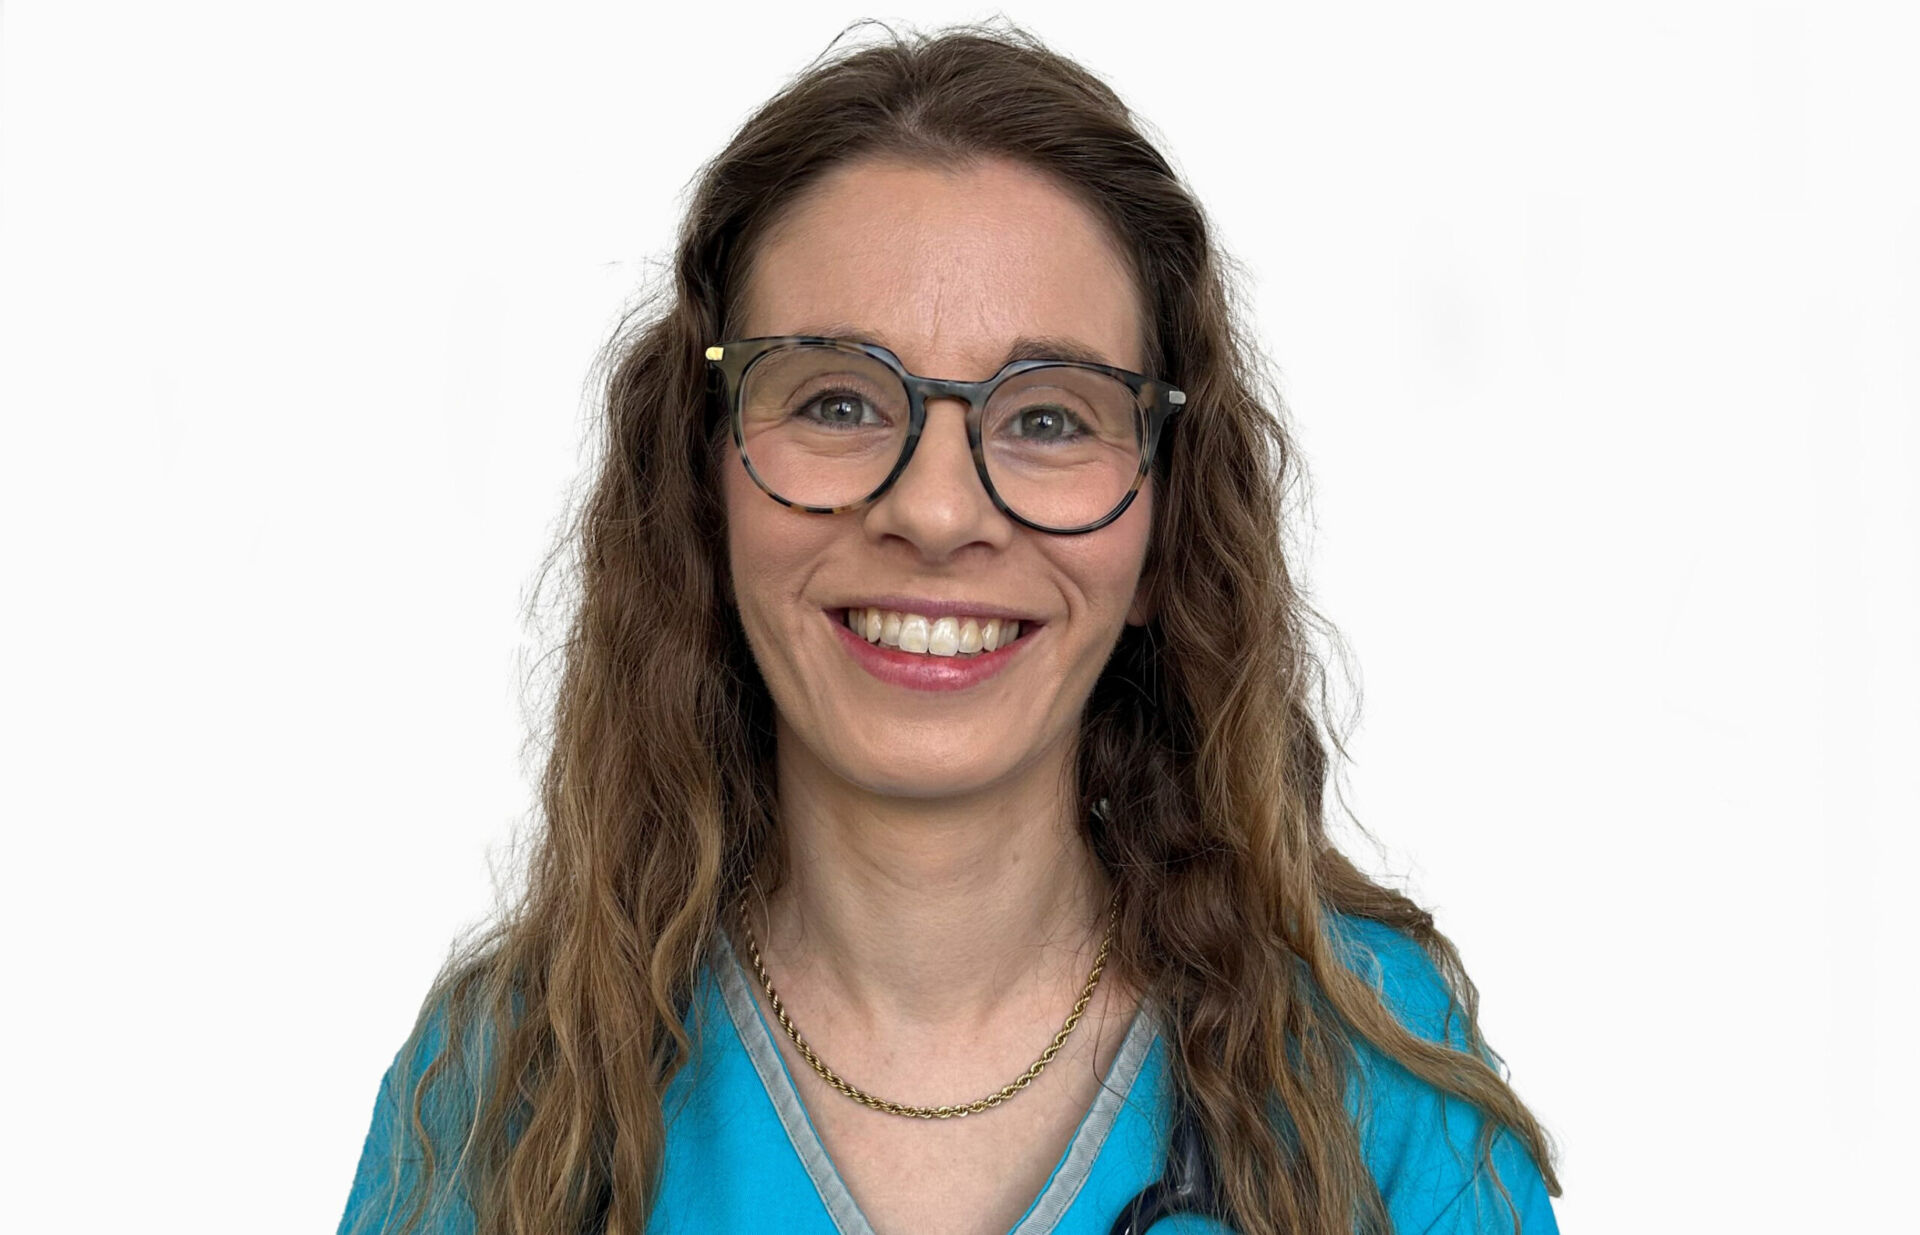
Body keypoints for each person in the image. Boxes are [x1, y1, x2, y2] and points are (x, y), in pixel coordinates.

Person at [337, 21, 1561, 1235]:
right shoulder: (501, 1093)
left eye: (1048, 419)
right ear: (702, 493)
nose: (933, 511)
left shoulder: (1376, 1085)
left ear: (1165, 526)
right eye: (837, 401)